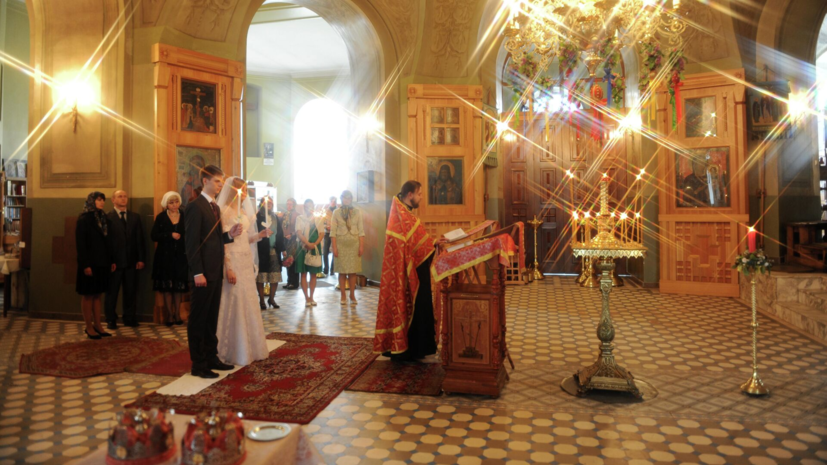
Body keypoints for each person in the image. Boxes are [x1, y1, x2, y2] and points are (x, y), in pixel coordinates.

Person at [183, 165, 243, 379]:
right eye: (217, 181)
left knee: (211, 318)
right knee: (199, 319)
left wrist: (229, 234)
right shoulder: (195, 206)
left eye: (221, 181)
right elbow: (191, 244)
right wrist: (197, 272)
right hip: (202, 273)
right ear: (205, 180)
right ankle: (198, 364)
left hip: (215, 271)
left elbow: (213, 239)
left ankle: (211, 356)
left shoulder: (214, 207)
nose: (220, 185)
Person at [373, 181, 438, 361]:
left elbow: (415, 244)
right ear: (410, 195)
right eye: (419, 194)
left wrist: (431, 244)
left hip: (409, 269)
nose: (421, 197)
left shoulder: (402, 214)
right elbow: (415, 246)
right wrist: (432, 245)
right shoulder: (403, 216)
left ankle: (409, 347)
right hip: (410, 271)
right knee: (414, 303)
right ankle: (412, 349)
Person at [216, 177, 272, 366]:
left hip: (246, 259)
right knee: (235, 299)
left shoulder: (242, 211)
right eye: (242, 190)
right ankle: (231, 348)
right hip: (233, 259)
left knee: (248, 300)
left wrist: (259, 236)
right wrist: (229, 267)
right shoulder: (223, 211)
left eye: (246, 190)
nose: (245, 194)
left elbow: (245, 238)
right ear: (233, 191)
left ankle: (251, 347)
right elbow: (223, 241)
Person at [76, 192, 115, 339]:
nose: (102, 202)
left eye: (103, 200)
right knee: (88, 294)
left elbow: (109, 242)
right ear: (92, 201)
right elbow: (81, 244)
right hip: (89, 263)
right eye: (99, 200)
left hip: (103, 262)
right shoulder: (84, 219)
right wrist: (85, 264)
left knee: (98, 294)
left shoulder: (104, 218)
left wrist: (111, 260)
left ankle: (98, 325)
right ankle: (88, 326)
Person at [105, 190, 146, 329]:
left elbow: (139, 239)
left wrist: (140, 259)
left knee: (130, 291)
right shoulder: (108, 218)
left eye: (124, 196)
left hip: (131, 261)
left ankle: (129, 317)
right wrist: (110, 261)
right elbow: (107, 242)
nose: (123, 199)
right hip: (115, 263)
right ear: (113, 200)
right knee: (112, 292)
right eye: (119, 196)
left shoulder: (135, 217)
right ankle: (111, 319)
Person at [151, 191, 188, 326]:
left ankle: (178, 314)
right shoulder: (161, 217)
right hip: (164, 257)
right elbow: (154, 235)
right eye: (171, 202)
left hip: (180, 256)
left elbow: (189, 233)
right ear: (166, 204)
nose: (174, 205)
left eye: (176, 202)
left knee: (178, 286)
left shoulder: (184, 216)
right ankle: (169, 315)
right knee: (167, 287)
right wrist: (169, 235)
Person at [330, 190, 364, 305]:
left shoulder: (357, 212)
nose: (347, 200)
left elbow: (361, 230)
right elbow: (333, 232)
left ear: (351, 199)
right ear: (341, 199)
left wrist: (361, 246)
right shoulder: (336, 212)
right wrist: (334, 247)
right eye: (345, 198)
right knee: (342, 271)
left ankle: (352, 294)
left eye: (349, 198)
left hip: (354, 244)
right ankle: (343, 295)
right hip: (341, 244)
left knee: (353, 271)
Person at [256, 196, 286, 310]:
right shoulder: (257, 217)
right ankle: (262, 300)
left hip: (274, 250)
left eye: (271, 203)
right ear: (262, 203)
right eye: (266, 202)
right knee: (261, 276)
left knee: (275, 276)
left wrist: (283, 249)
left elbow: (279, 234)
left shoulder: (275, 217)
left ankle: (272, 298)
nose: (269, 204)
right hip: (261, 250)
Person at [295, 199, 323, 307]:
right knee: (303, 273)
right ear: (304, 207)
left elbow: (321, 233)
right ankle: (306, 298)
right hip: (302, 247)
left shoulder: (318, 218)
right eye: (306, 206)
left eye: (311, 206)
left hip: (315, 247)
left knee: (313, 274)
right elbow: (298, 232)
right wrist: (307, 243)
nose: (308, 209)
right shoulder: (300, 218)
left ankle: (312, 297)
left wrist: (314, 244)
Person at [283, 198, 300, 290]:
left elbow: (299, 229)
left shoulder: (297, 215)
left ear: (294, 205)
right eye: (287, 204)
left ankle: (295, 282)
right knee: (287, 260)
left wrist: (291, 234)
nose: (288, 206)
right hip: (286, 240)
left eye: (290, 204)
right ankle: (289, 281)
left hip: (294, 240)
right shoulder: (285, 214)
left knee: (293, 261)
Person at [322, 196, 337, 277]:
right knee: (325, 251)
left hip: (335, 233)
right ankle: (326, 268)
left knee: (335, 251)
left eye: (335, 201)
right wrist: (326, 227)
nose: (333, 202)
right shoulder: (325, 211)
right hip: (327, 233)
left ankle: (332, 269)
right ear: (329, 202)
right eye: (332, 201)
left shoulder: (338, 211)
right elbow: (322, 222)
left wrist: (334, 227)